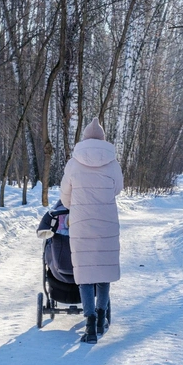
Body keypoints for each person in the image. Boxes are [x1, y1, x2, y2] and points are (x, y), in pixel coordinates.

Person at [60, 117, 123, 344]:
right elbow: (118, 188)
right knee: (103, 273)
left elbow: (65, 194)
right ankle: (101, 317)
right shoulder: (112, 163)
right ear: (103, 140)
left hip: (82, 222)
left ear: (85, 138)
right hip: (106, 221)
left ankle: (89, 322)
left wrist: (72, 206)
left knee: (85, 274)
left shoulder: (74, 163)